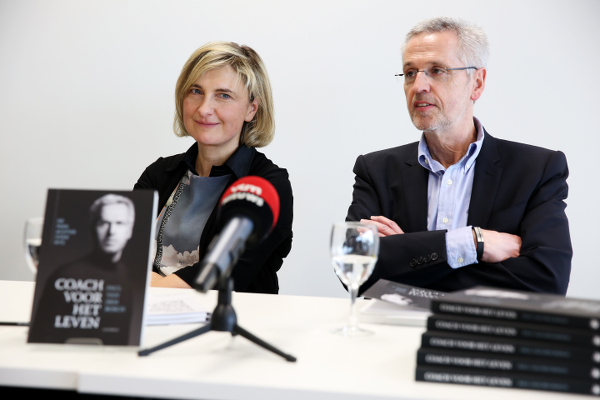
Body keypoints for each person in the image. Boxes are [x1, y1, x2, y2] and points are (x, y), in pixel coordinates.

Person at [346, 17, 572, 295]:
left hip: (488, 336)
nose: (418, 86)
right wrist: (472, 243)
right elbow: (352, 268)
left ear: (476, 83)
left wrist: (408, 255)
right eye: (410, 73)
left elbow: (547, 282)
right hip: (394, 335)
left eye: (437, 70)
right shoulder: (376, 170)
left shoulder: (537, 170)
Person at [134, 42, 293, 294]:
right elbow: (122, 257)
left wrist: (144, 285)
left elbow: (222, 275)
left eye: (223, 95)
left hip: (227, 324)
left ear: (251, 109)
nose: (204, 108)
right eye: (196, 91)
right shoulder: (159, 173)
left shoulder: (267, 185)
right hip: (147, 318)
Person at [29, 194, 143, 345]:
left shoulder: (126, 275)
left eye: (120, 223)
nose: (111, 232)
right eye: (103, 223)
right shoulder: (66, 275)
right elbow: (41, 337)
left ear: (130, 230)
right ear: (93, 227)